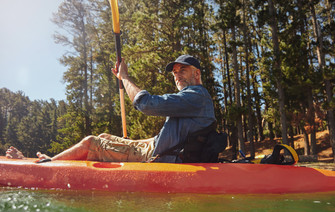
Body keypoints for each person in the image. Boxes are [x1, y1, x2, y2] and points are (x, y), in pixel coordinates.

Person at [6, 55, 216, 163]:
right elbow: (158, 140)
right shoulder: (192, 101)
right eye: (175, 72)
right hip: (156, 149)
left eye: (183, 71)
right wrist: (130, 142)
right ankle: (50, 160)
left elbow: (146, 104)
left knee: (91, 143)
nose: (177, 75)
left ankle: (45, 164)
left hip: (160, 158)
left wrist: (124, 77)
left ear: (196, 74)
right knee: (104, 135)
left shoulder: (196, 96)